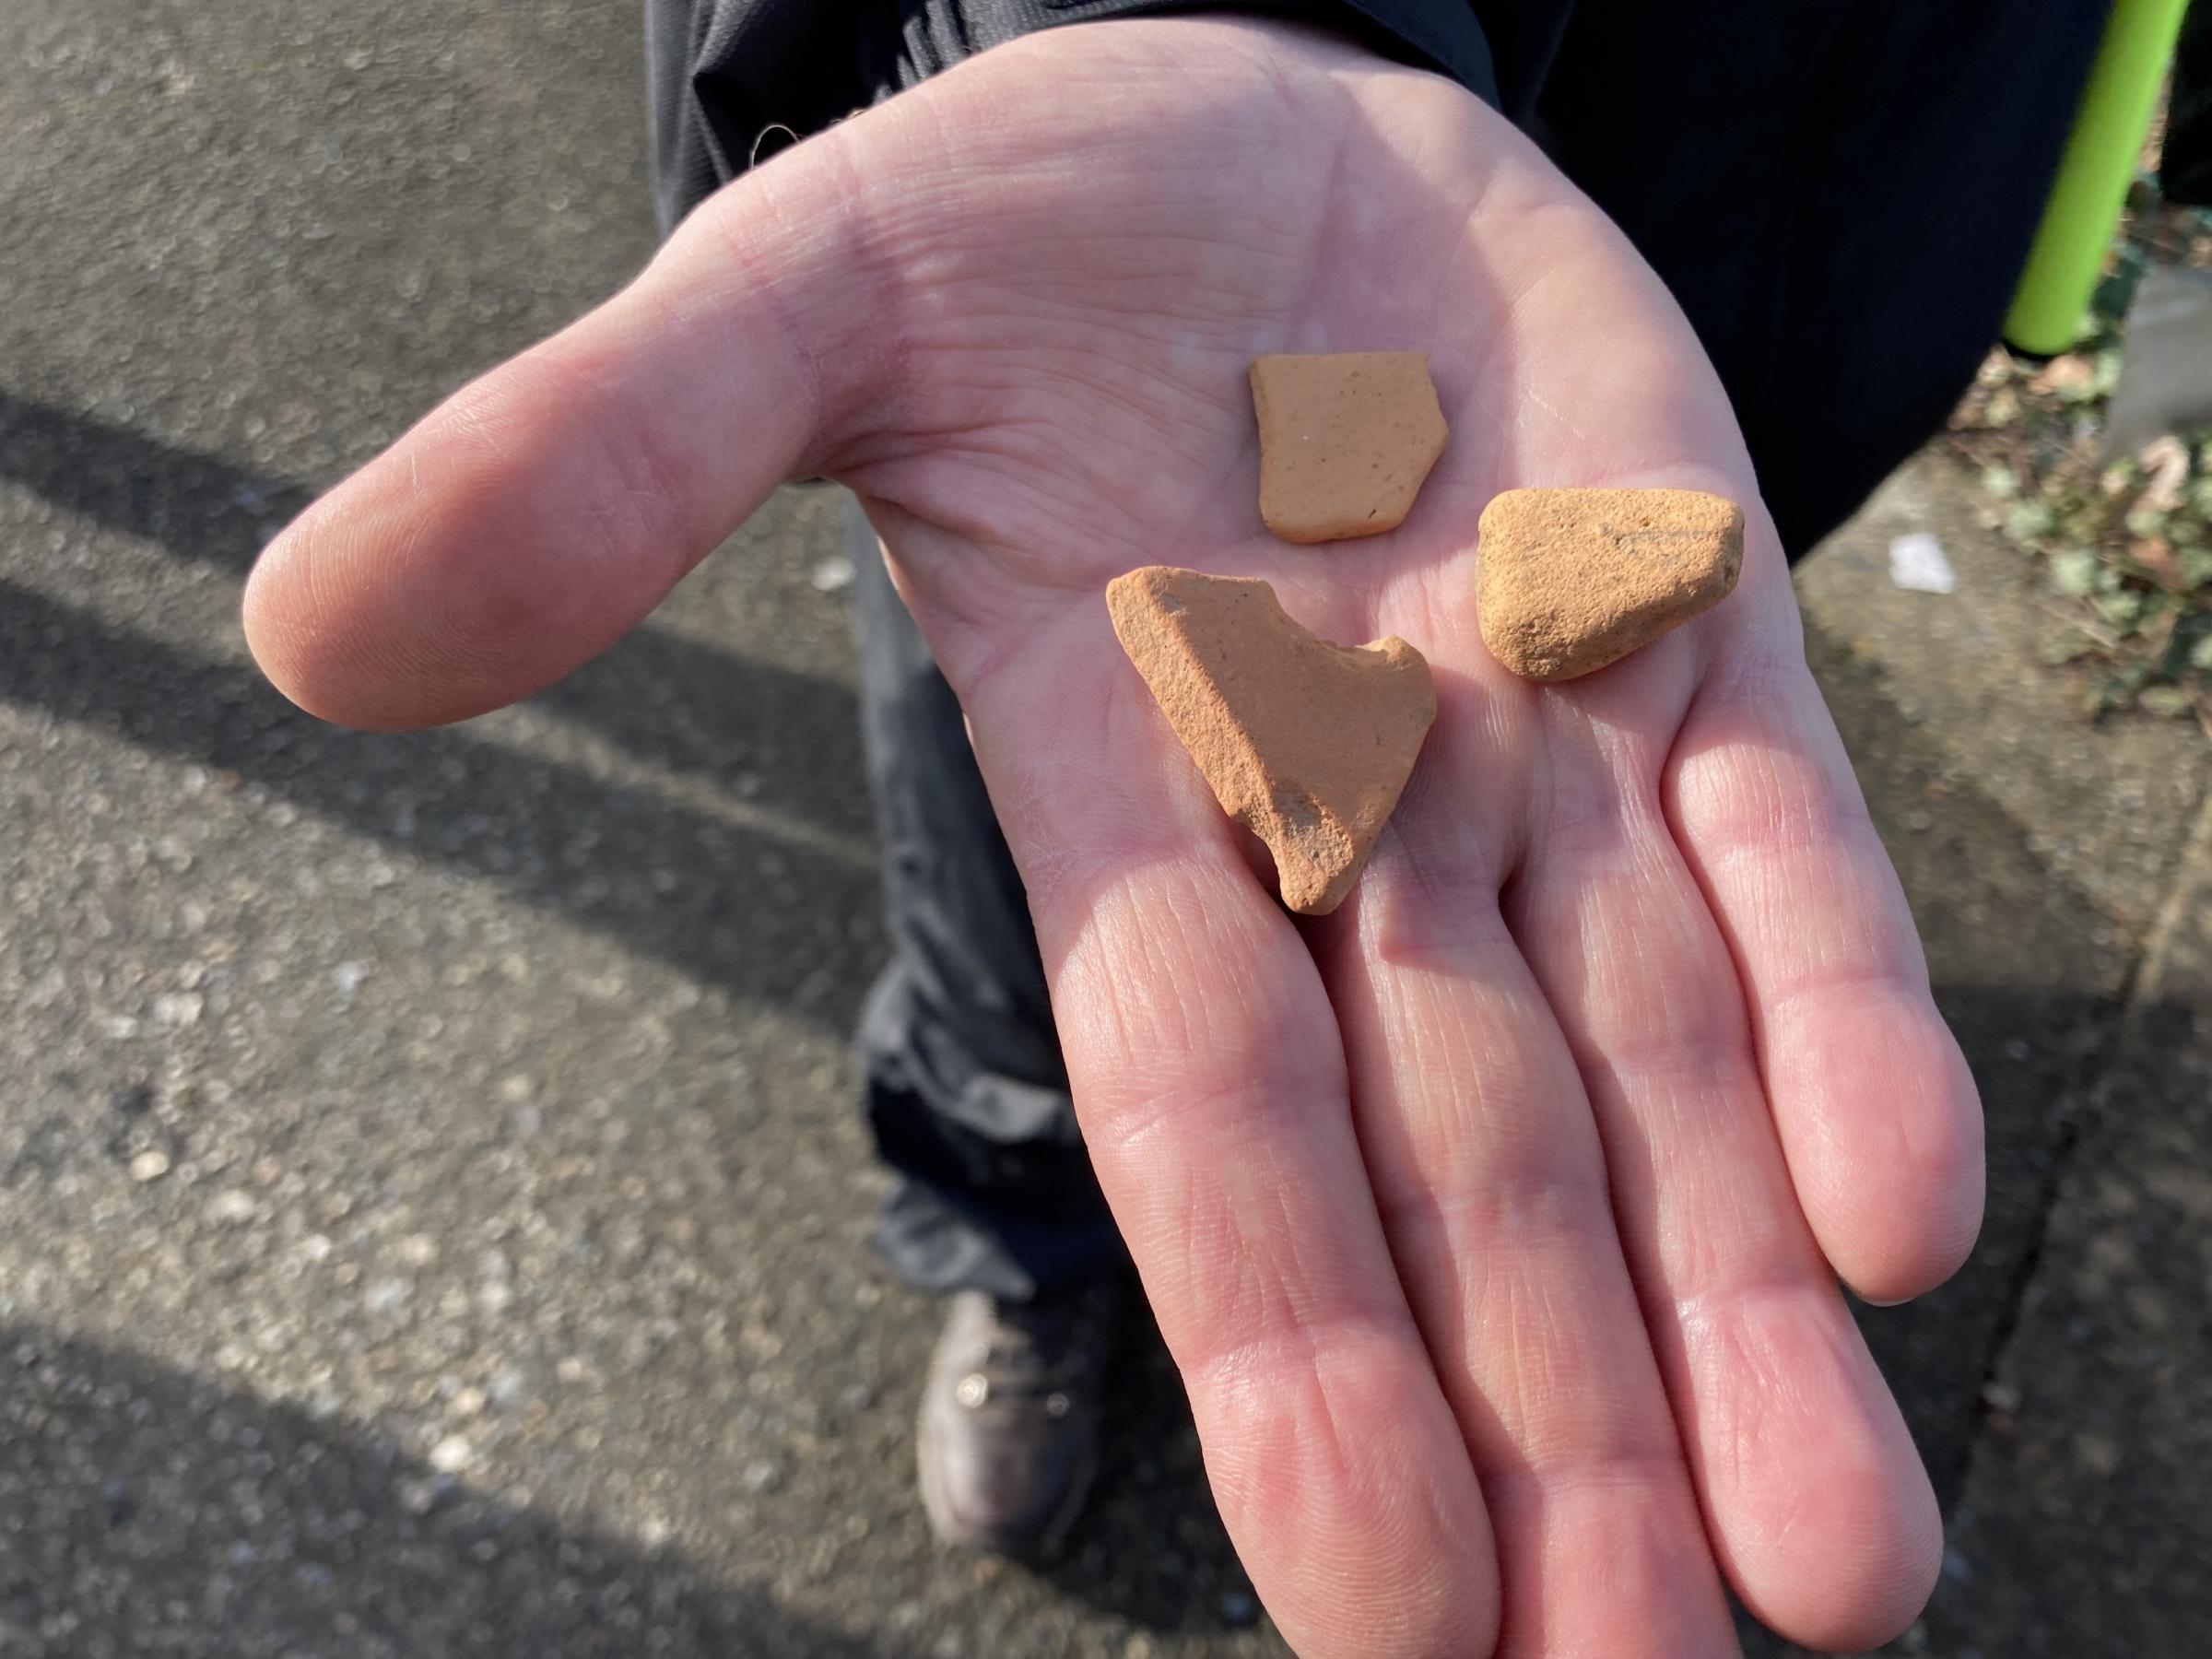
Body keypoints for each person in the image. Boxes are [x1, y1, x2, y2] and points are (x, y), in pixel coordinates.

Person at [241, 5, 2110, 1653]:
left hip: (1823, 213)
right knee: (1056, 839)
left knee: (1624, 800)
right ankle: (1014, 1232)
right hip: (1140, 283)